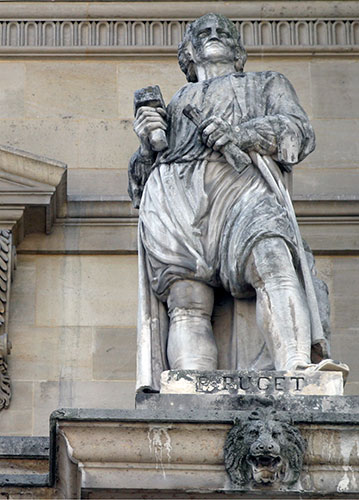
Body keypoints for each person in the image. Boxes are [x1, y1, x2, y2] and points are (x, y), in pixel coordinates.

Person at [129, 13, 346, 392]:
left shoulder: (266, 83)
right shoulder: (176, 103)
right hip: (176, 197)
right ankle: (191, 386)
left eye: (223, 32)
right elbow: (139, 183)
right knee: (186, 297)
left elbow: (299, 132)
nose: (214, 36)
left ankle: (295, 365)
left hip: (242, 186)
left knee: (272, 256)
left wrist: (242, 133)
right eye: (204, 33)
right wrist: (148, 143)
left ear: (238, 49)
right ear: (189, 52)